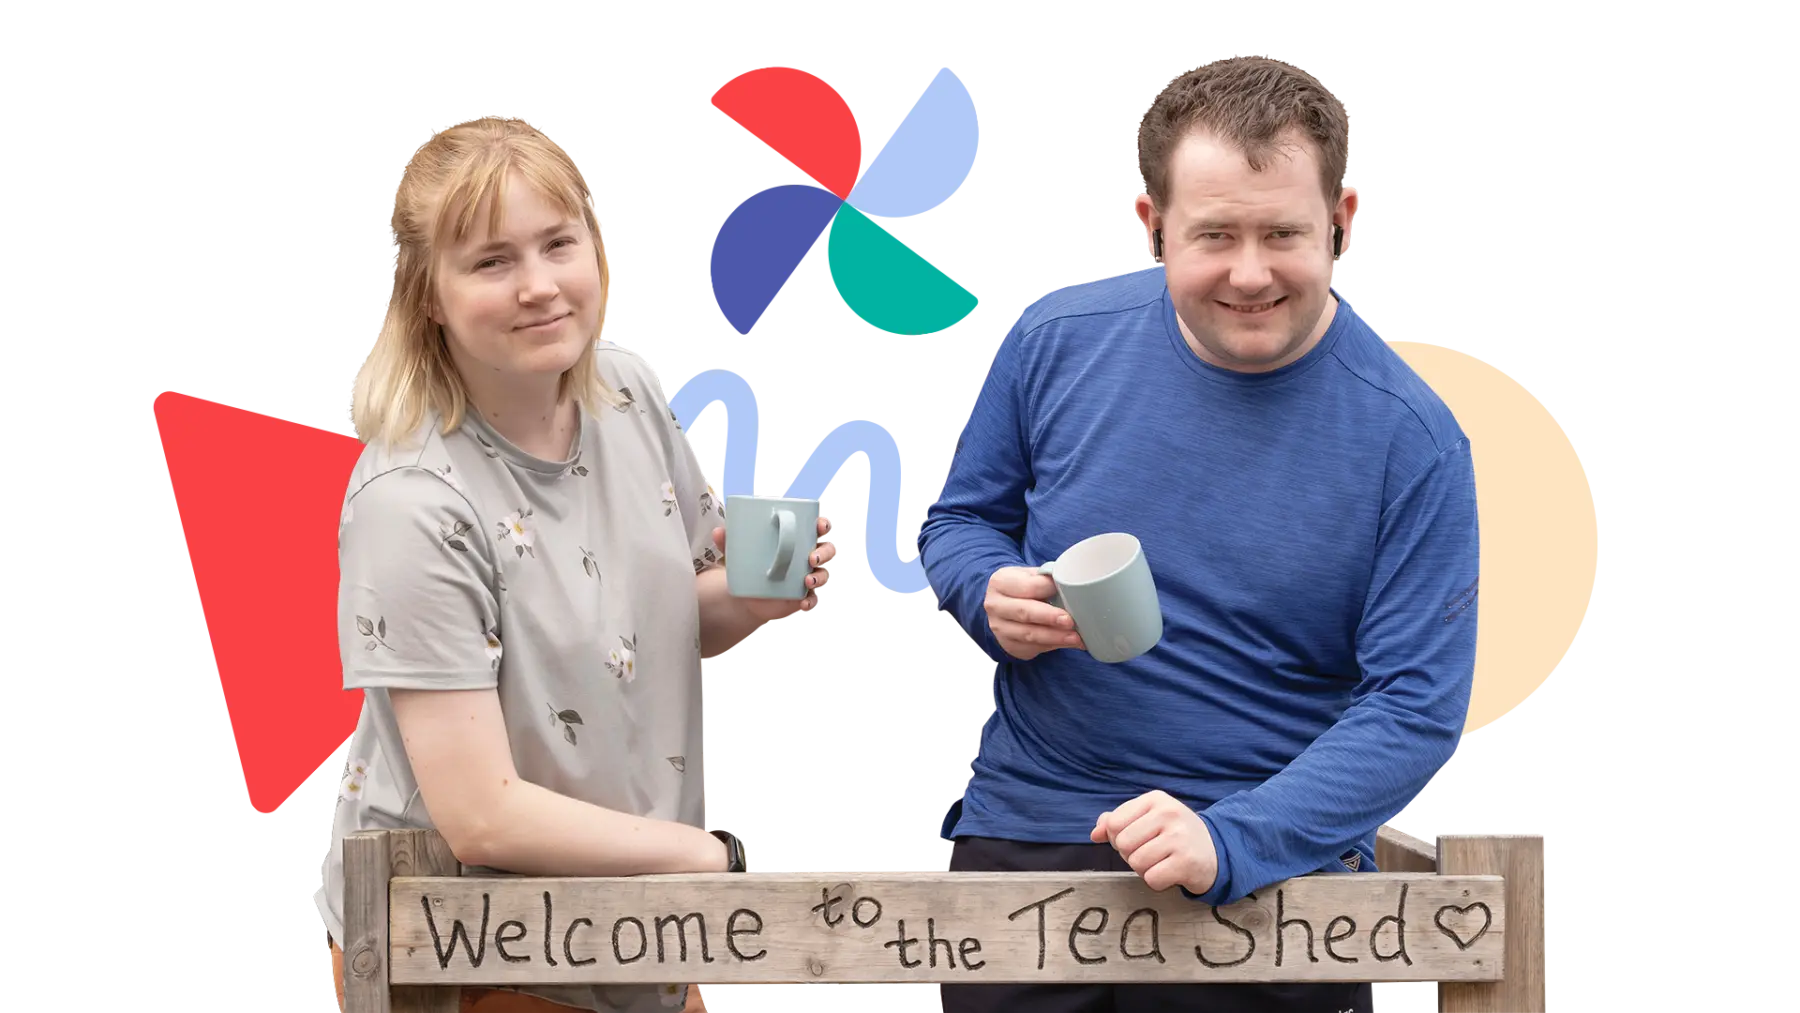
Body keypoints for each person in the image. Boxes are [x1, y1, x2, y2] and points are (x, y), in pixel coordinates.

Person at [917, 55, 1479, 1013]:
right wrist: (986, 590)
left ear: (1342, 219)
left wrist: (1234, 837)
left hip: (1279, 868)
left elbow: (1415, 709)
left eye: (1283, 234)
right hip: (1035, 832)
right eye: (1215, 234)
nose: (1250, 273)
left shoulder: (1415, 441)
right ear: (1153, 224)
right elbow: (963, 522)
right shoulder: (1052, 339)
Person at [312, 115, 836, 1013]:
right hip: (467, 949)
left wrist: (752, 597)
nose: (540, 286)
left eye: (559, 244)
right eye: (491, 261)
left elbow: (656, 627)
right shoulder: (412, 502)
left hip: (640, 924)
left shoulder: (628, 391)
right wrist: (699, 855)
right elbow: (481, 814)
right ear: (427, 295)